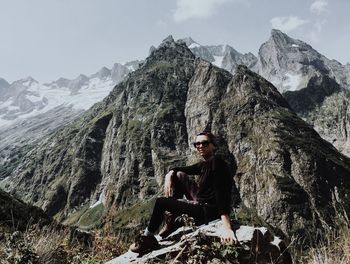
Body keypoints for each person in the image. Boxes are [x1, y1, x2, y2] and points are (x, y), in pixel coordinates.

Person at [130, 131, 239, 254]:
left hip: (207, 211)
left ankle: (147, 238)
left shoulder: (217, 163)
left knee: (161, 202)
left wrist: (227, 227)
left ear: (214, 145)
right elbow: (181, 170)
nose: (200, 146)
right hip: (202, 202)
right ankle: (172, 219)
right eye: (197, 144)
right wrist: (170, 173)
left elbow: (222, 193)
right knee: (179, 175)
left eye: (205, 143)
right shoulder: (205, 164)